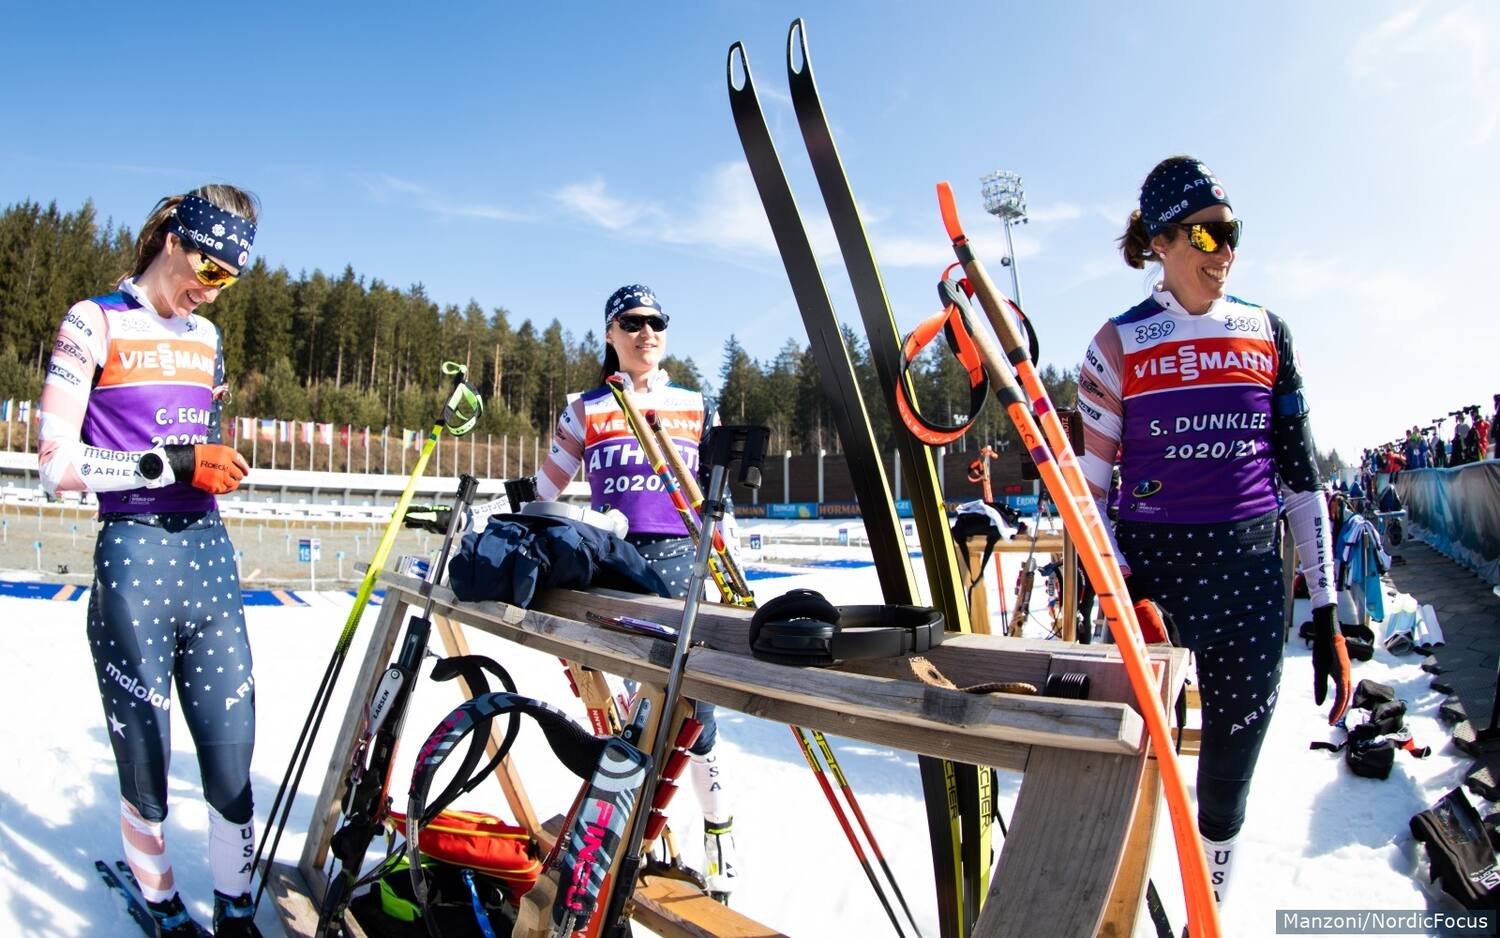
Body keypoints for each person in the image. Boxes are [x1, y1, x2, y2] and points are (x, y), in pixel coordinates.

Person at [1076, 157, 1346, 911]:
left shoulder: (1267, 331)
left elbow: (1300, 480)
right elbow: (1088, 497)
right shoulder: (1116, 343)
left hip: (1250, 585)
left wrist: (1325, 611)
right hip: (1153, 588)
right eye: (1207, 232)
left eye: (1233, 234)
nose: (1223, 250)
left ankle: (1209, 911)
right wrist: (1124, 592)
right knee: (1123, 768)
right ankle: (1114, 911)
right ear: (1161, 242)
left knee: (1227, 783)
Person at [39, 187, 262, 937]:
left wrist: (217, 465)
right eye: (210, 266)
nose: (214, 286)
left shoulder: (207, 338)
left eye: (232, 277)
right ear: (174, 238)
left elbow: (205, 442)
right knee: (146, 756)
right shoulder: (92, 320)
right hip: (136, 559)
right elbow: (54, 464)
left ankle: (236, 907)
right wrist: (170, 465)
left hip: (208, 558)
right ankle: (161, 903)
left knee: (234, 758)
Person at [534, 284, 740, 900]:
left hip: (682, 558)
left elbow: (719, 492)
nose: (646, 332)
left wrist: (729, 551)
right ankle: (635, 833)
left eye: (656, 322)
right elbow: (546, 489)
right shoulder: (585, 407)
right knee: (636, 708)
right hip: (615, 559)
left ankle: (719, 830)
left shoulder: (695, 405)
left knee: (693, 713)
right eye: (632, 322)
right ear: (609, 333)